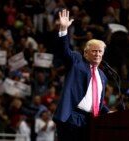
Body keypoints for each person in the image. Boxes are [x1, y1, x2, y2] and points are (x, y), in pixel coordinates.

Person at [52, 9, 110, 141]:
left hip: (90, 122)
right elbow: (64, 50)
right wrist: (63, 29)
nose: (97, 54)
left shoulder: (102, 76)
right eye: (94, 51)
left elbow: (96, 101)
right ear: (86, 53)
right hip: (72, 116)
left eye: (100, 52)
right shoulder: (77, 61)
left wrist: (109, 112)